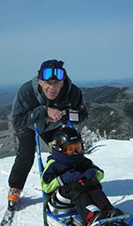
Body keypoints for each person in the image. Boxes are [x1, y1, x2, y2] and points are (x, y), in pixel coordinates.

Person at [8, 59, 88, 206]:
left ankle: (66, 183)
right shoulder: (26, 91)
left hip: (53, 126)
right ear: (40, 82)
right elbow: (17, 120)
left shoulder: (72, 92)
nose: (52, 88)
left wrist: (63, 114)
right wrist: (43, 111)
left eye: (56, 83)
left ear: (62, 82)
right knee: (26, 154)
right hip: (29, 125)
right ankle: (16, 187)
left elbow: (82, 114)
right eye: (48, 83)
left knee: (64, 152)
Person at [41, 127, 123, 226]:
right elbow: (46, 186)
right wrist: (63, 179)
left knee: (92, 185)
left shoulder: (82, 160)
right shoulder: (54, 164)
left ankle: (108, 211)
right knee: (76, 187)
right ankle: (91, 217)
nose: (75, 152)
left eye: (78, 148)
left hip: (78, 192)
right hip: (60, 196)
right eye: (70, 149)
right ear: (59, 149)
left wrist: (92, 173)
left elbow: (100, 173)